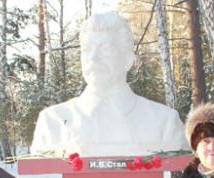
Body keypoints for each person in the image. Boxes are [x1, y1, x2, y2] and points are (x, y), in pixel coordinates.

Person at [30, 11, 186, 157]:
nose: (93, 57)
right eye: (87, 49)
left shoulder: (164, 121)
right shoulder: (53, 122)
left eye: (106, 48)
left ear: (128, 60)